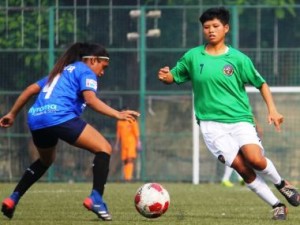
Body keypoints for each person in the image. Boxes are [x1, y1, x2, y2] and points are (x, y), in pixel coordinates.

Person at [157, 7, 299, 220]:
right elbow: (174, 77)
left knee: (255, 159)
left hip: (239, 119)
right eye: (206, 27)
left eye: (215, 26)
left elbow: (261, 84)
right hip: (210, 125)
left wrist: (273, 109)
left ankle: (282, 184)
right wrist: (165, 76)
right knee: (242, 168)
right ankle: (277, 205)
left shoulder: (238, 59)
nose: (211, 30)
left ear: (226, 28)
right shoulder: (193, 57)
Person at [0, 42, 140, 221]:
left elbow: (29, 90)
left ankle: (13, 198)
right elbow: (91, 100)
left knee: (45, 160)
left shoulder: (60, 72)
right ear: (92, 60)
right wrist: (117, 114)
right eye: (103, 67)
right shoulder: (86, 71)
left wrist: (12, 114)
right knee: (104, 148)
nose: (102, 72)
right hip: (59, 116)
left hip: (36, 118)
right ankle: (96, 198)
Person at [114, 106, 141, 181]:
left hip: (131, 143)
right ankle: (126, 177)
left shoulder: (132, 120)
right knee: (125, 160)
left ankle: (128, 177)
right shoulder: (119, 122)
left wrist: (138, 142)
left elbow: (136, 132)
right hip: (123, 143)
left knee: (129, 159)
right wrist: (116, 144)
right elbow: (118, 134)